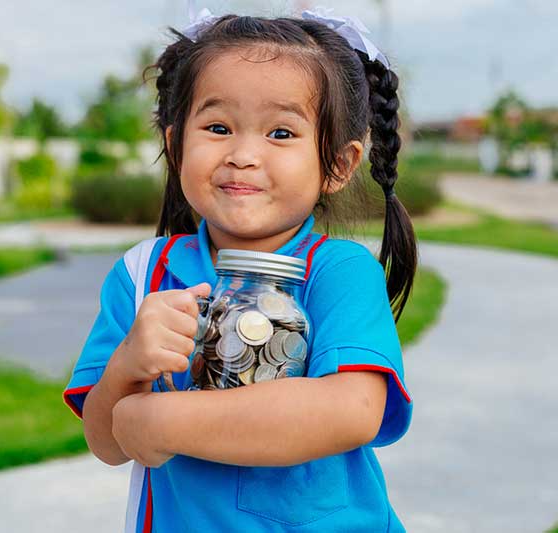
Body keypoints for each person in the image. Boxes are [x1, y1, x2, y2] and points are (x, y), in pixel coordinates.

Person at [64, 8, 417, 532]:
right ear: (174, 142)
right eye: (218, 126)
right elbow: (108, 443)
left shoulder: (338, 271)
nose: (244, 154)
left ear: (339, 165)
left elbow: (352, 409)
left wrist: (167, 420)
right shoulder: (141, 275)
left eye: (280, 132)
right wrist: (126, 368)